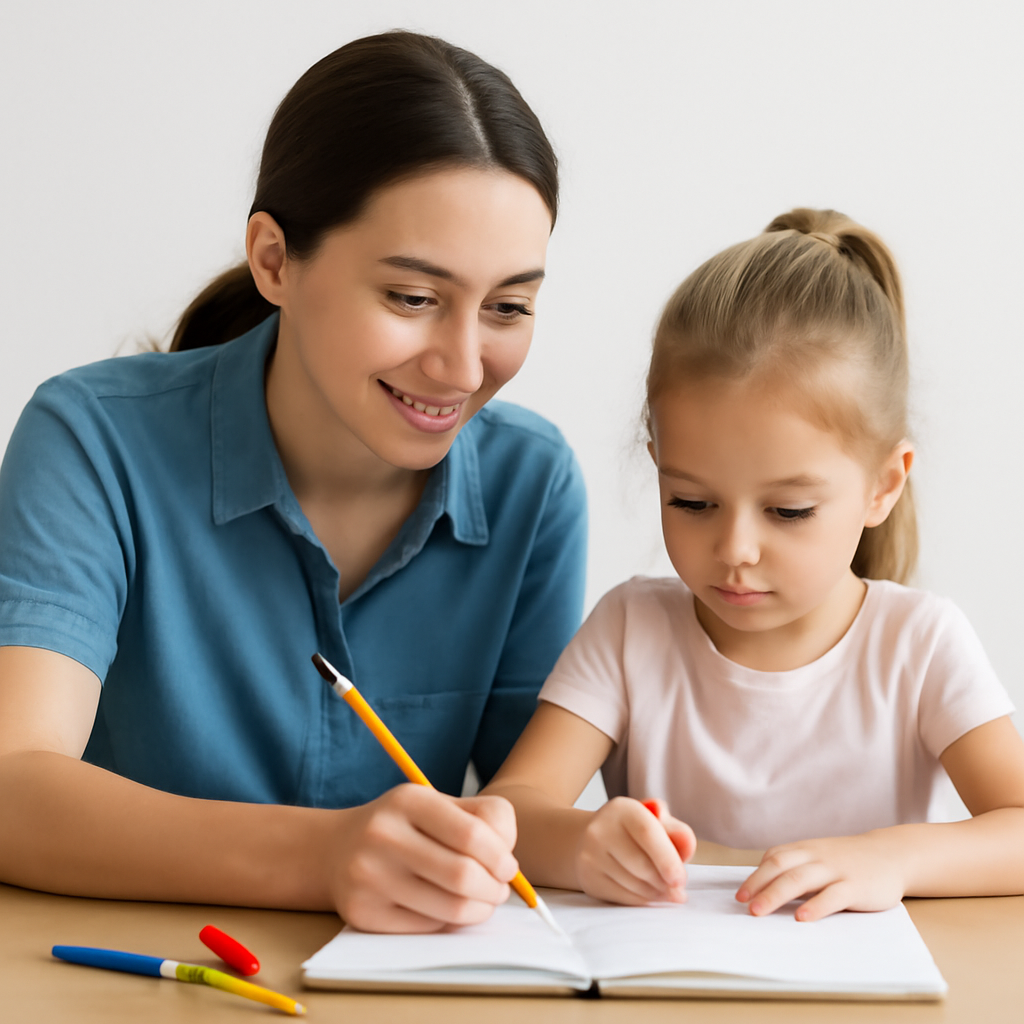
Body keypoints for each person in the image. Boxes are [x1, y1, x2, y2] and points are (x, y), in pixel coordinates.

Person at [0, 30, 587, 934]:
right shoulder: (90, 440)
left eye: (508, 306)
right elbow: (13, 787)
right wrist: (324, 858)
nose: (464, 365)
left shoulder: (532, 485)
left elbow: (524, 808)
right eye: (413, 297)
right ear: (275, 260)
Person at [485, 208, 1024, 922]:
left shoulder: (918, 644)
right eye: (692, 501)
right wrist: (584, 841)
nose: (735, 550)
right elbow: (510, 813)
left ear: (882, 486)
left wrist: (892, 857)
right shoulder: (630, 627)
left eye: (789, 512)